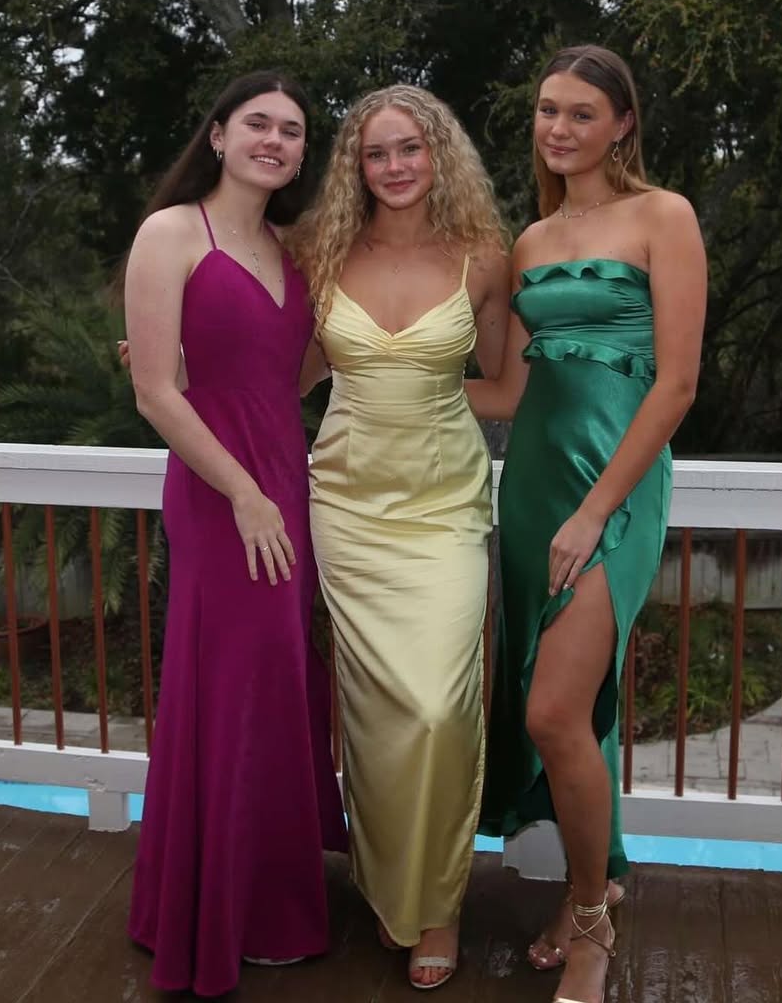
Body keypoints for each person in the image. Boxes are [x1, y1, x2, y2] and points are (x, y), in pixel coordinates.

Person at [469, 44, 707, 1003]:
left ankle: (594, 925)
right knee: (569, 707)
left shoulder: (664, 216)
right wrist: (377, 371)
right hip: (532, 485)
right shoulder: (528, 242)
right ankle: (589, 888)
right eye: (546, 110)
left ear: (622, 125)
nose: (558, 128)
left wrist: (595, 509)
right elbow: (505, 392)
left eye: (580, 113)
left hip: (615, 486)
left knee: (551, 711)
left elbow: (678, 384)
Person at [122, 70, 347, 997]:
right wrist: (244, 492)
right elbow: (153, 391)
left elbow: (298, 373)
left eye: (292, 131)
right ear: (218, 135)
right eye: (258, 123)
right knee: (230, 686)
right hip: (222, 496)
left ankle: (264, 901)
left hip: (286, 481)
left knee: (277, 683)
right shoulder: (172, 233)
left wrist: (271, 477)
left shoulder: (300, 250)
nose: (274, 141)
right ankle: (215, 912)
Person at [287, 84, 509, 989]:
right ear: (356, 165)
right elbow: (288, 376)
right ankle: (389, 890)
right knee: (374, 712)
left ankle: (440, 902)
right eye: (375, 152)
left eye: (409, 147)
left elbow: (508, 385)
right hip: (346, 505)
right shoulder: (321, 253)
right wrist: (174, 365)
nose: (394, 166)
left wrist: (423, 394)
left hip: (443, 509)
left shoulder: (484, 257)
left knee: (438, 708)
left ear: (438, 152)